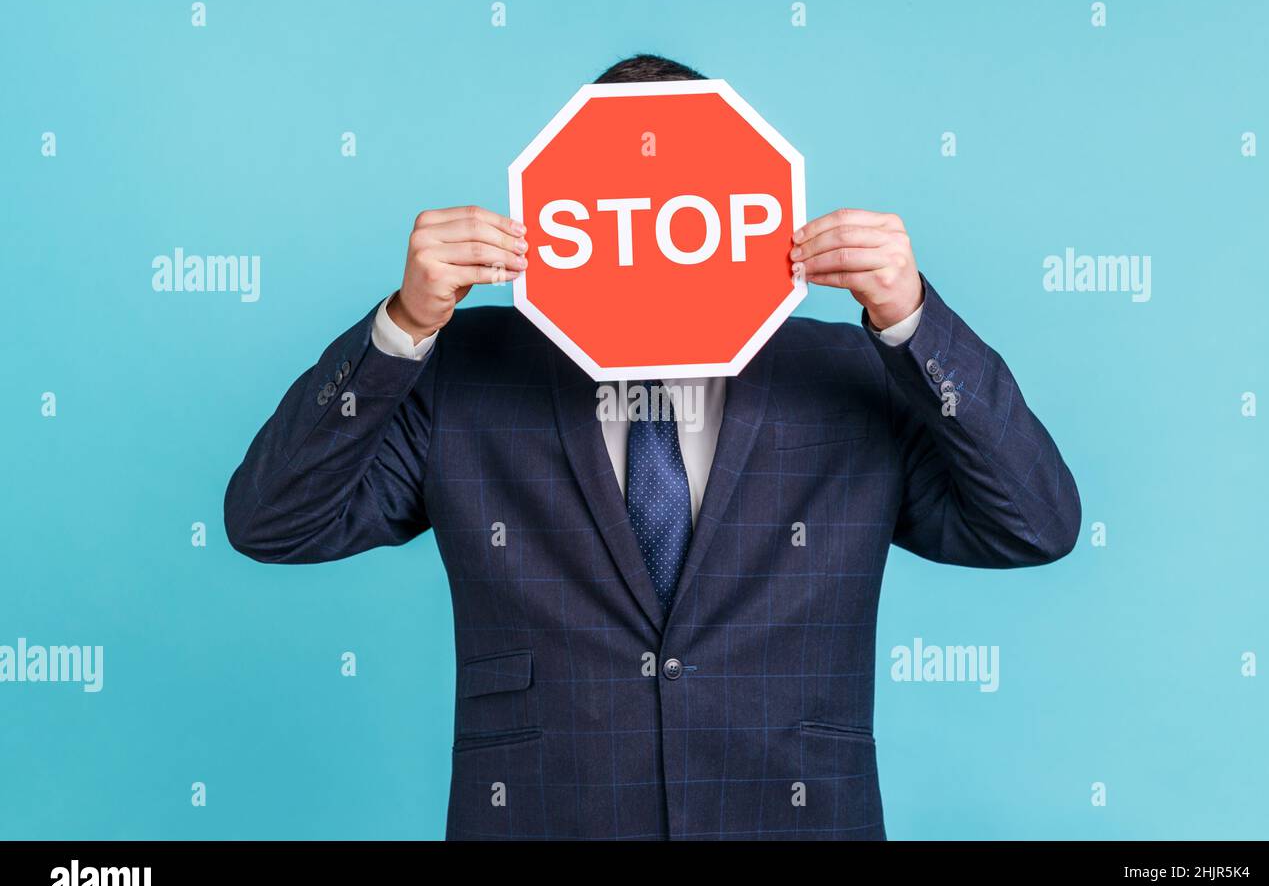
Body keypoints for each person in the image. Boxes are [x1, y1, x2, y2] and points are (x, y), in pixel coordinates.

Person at [225, 54, 1081, 840]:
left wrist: (913, 321)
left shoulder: (851, 373)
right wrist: (401, 329)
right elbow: (273, 522)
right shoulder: (465, 372)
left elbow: (1034, 523)